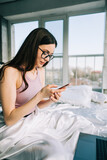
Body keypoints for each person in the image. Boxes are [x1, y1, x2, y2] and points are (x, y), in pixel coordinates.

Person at [0, 27, 65, 126]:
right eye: (45, 52)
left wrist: (51, 99)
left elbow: (36, 104)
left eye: (50, 55)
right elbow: (9, 120)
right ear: (32, 47)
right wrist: (40, 95)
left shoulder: (40, 71)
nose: (47, 59)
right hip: (16, 124)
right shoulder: (10, 72)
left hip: (32, 118)